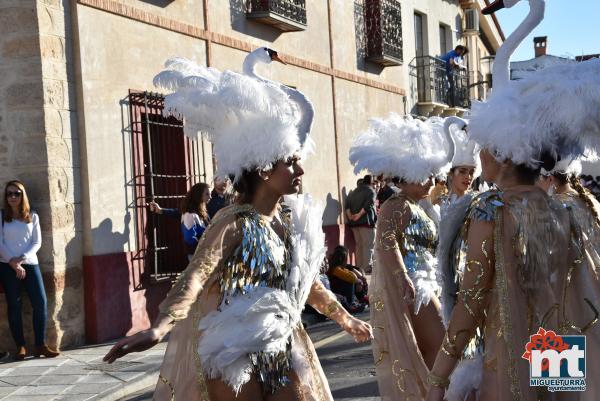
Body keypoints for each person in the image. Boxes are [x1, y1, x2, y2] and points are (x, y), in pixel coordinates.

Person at [104, 47, 372, 401]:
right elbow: (196, 275)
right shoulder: (232, 222)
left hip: (283, 343)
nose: (301, 170)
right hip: (233, 353)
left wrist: (344, 318)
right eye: (291, 162)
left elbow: (303, 283)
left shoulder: (286, 221)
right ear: (263, 168)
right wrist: (158, 328)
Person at [425, 59, 600, 401]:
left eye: (485, 147)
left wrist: (439, 378)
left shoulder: (491, 210)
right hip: (559, 354)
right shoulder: (566, 211)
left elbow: (471, 302)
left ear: (504, 153)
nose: (480, 156)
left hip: (511, 359)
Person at [350, 114, 455, 400]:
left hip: (427, 284)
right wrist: (402, 276)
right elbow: (386, 244)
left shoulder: (419, 205)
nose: (433, 180)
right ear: (410, 172)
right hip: (413, 290)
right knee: (440, 350)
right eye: (427, 173)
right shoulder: (396, 205)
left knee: (442, 352)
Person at [0, 180, 59, 360]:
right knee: (14, 305)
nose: (12, 197)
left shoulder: (32, 215)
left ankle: (40, 345)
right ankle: (20, 347)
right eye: (9, 194)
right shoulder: (2, 216)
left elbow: (37, 242)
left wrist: (22, 259)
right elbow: (0, 242)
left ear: (22, 195)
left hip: (30, 264)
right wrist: (12, 262)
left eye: (16, 193)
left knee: (40, 302)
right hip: (7, 265)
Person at [345, 175, 377, 274]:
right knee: (368, 246)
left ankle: (359, 268)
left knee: (359, 246)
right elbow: (369, 204)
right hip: (366, 222)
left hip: (354, 223)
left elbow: (347, 205)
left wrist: (351, 216)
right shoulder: (371, 191)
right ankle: (366, 268)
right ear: (371, 182)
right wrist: (358, 215)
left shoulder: (354, 192)